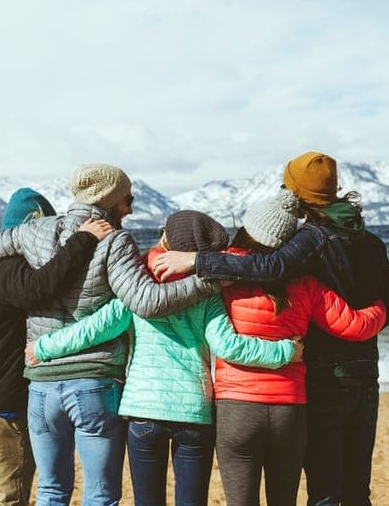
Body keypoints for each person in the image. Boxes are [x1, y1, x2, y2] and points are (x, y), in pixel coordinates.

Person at [153, 152, 389, 506]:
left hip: (322, 379)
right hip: (364, 378)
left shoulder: (313, 238)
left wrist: (198, 260)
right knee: (357, 490)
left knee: (325, 491)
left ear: (299, 192)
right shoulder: (371, 242)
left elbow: (271, 267)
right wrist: (369, 321)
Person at [0, 165, 219, 506]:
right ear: (108, 198)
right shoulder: (115, 239)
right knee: (100, 493)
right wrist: (210, 279)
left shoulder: (33, 231)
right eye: (127, 199)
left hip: (41, 384)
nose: (130, 209)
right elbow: (145, 301)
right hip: (94, 382)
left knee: (51, 490)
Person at [26, 210, 310, 506]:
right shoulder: (208, 294)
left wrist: (44, 347)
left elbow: (96, 327)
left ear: (165, 238)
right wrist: (286, 351)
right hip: (193, 412)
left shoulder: (139, 287)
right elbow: (228, 346)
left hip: (144, 408)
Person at [212, 190, 388, 506]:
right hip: (289, 410)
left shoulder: (224, 280)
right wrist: (381, 305)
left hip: (236, 408)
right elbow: (355, 326)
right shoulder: (306, 284)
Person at [0, 187, 114, 506]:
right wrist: (83, 240)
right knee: (11, 496)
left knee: (21, 490)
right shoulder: (4, 271)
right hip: (4, 405)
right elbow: (41, 288)